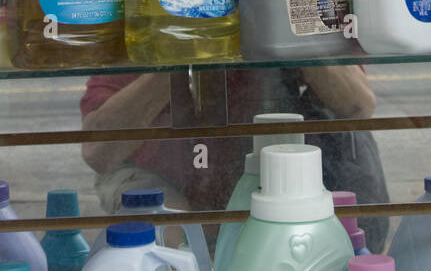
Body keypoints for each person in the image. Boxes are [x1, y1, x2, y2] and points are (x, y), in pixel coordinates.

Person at [79, 66, 390, 251]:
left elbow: (359, 105)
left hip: (264, 169)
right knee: (173, 231)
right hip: (160, 169)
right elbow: (100, 152)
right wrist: (180, 54)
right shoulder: (154, 7)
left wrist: (292, 32)